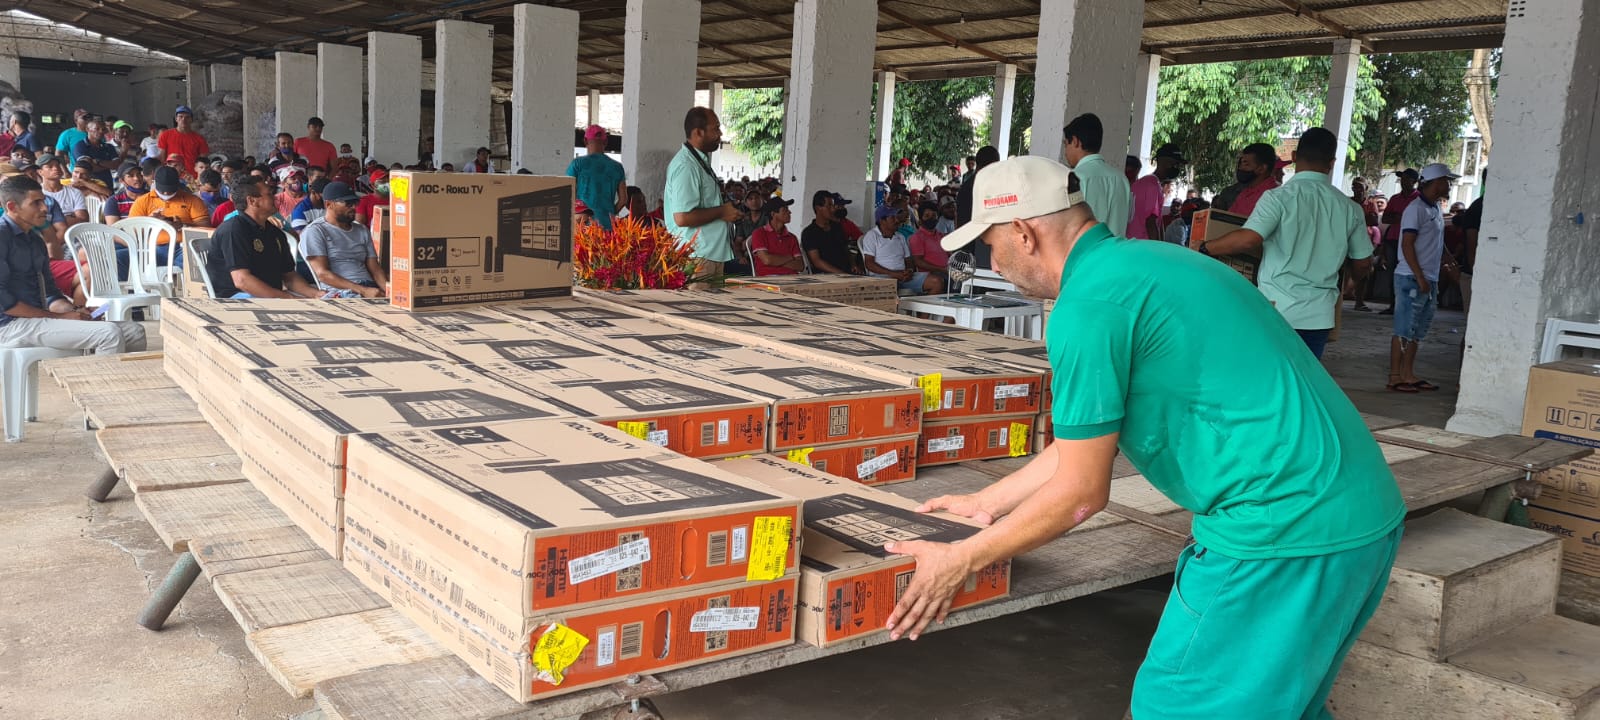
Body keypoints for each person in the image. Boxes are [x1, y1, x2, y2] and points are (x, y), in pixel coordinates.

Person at [890, 154, 1403, 719]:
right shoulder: (1158, 263)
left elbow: (1082, 494)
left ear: (1023, 232)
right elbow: (1082, 444)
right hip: (1362, 514)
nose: (994, 259)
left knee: (1176, 706)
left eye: (990, 244)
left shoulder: (1088, 308)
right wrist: (984, 502)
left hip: (1281, 531)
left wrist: (961, 560)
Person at [1203, 127, 1374, 359]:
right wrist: (1347, 286)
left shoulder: (1278, 197)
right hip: (1319, 314)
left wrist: (1204, 248)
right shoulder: (1350, 208)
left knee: (1270, 378)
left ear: (1294, 157)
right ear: (1332, 162)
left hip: (1277, 308)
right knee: (1304, 381)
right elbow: (1363, 263)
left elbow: (1249, 239)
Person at [0, 176, 146, 355]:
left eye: (43, 201)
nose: (45, 208)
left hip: (40, 319)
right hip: (9, 325)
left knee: (134, 332)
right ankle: (99, 382)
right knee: (108, 334)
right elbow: (4, 303)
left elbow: (50, 293)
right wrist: (59, 317)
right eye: (36, 203)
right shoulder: (2, 236)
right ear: (12, 207)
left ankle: (104, 378)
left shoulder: (35, 240)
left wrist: (75, 311)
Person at [1388, 163, 1459, 393]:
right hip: (1411, 277)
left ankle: (1408, 374)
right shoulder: (1415, 208)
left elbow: (1436, 240)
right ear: (1436, 182)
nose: (1449, 185)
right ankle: (1395, 376)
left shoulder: (1435, 207)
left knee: (1418, 329)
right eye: (1446, 181)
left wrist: (1446, 257)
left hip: (1428, 276)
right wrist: (1419, 276)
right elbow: (1407, 244)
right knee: (1404, 328)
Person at [207, 176, 319, 299]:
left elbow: (290, 276)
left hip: (268, 296)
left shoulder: (275, 232)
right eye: (269, 194)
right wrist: (288, 298)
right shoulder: (233, 230)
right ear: (252, 201)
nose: (274, 197)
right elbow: (242, 280)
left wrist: (317, 294)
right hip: (235, 299)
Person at [664, 107, 741, 279]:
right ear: (698, 132)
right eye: (715, 128)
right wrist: (722, 212)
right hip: (695, 256)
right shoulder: (686, 166)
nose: (720, 133)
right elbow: (682, 217)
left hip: (707, 254)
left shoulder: (698, 161)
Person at [299, 181, 386, 298]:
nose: (354, 207)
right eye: (348, 203)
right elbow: (323, 274)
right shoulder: (315, 231)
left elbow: (375, 269)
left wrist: (389, 292)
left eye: (355, 202)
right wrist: (363, 291)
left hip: (369, 287)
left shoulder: (361, 230)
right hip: (341, 291)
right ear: (329, 204)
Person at [127, 165, 211, 275]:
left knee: (198, 262)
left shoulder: (192, 200)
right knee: (121, 259)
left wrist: (183, 225)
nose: (166, 193)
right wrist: (151, 221)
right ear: (154, 183)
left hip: (184, 247)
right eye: (162, 190)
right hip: (153, 249)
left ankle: (195, 291)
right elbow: (132, 232)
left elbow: (205, 227)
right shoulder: (142, 201)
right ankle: (135, 291)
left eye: (170, 190)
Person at [1059, 114, 1130, 238]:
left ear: (1075, 142)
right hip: (1116, 254)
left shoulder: (1074, 177)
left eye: (1066, 145)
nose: (1065, 152)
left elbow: (1069, 225)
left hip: (1087, 254)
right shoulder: (1121, 179)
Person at [861, 205, 942, 295]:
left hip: (903, 276)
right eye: (892, 218)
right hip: (882, 277)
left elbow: (908, 260)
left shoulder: (900, 236)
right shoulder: (871, 236)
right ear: (882, 221)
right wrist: (893, 274)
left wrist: (909, 271)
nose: (897, 220)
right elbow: (869, 264)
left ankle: (925, 309)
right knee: (888, 287)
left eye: (896, 217)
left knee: (937, 282)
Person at [1376, 168, 1420, 315]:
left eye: (1406, 178)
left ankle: (1407, 305)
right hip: (1393, 239)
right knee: (1392, 273)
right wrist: (1401, 217)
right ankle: (1393, 304)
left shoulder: (1419, 198)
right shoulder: (1395, 198)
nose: (1403, 181)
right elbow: (1386, 218)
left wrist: (1398, 216)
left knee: (1409, 272)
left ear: (1414, 181)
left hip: (1412, 241)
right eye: (1402, 179)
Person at [566, 125, 627, 230]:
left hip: (583, 226)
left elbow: (566, 193)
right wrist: (610, 213)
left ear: (585, 141)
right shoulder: (617, 167)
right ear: (606, 142)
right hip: (607, 225)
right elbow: (623, 199)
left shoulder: (577, 164)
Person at [1129, 144, 1185, 240]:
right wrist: (1157, 250)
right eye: (1175, 164)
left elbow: (1158, 222)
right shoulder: (1153, 186)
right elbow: (1151, 223)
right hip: (1143, 246)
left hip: (1132, 242)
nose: (1177, 168)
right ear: (1164, 162)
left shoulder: (1142, 183)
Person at [1214, 143, 1280, 217]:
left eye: (1246, 164)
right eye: (1241, 164)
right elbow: (1228, 219)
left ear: (1262, 168)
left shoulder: (1272, 196)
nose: (1240, 168)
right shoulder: (1246, 192)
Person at [801, 190, 855, 274]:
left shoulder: (837, 227)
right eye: (829, 205)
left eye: (833, 205)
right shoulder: (809, 233)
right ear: (818, 208)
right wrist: (841, 273)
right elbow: (817, 261)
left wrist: (853, 265)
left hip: (846, 273)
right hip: (826, 276)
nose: (833, 209)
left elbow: (846, 249)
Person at [749, 197, 804, 276]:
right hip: (768, 279)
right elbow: (767, 260)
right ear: (773, 214)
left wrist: (775, 261)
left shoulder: (792, 237)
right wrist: (789, 257)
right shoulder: (759, 233)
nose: (789, 212)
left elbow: (800, 266)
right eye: (785, 210)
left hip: (792, 279)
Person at [37, 155, 88, 227]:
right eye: (50, 166)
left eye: (58, 165)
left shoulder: (75, 192)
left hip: (71, 234)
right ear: (40, 172)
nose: (56, 168)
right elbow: (36, 222)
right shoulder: (36, 194)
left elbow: (83, 220)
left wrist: (51, 219)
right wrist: (69, 217)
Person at [908, 203, 949, 276]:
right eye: (927, 216)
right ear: (920, 220)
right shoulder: (917, 237)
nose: (931, 218)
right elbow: (918, 262)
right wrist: (941, 269)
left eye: (934, 215)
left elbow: (949, 254)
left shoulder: (941, 236)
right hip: (931, 274)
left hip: (947, 271)